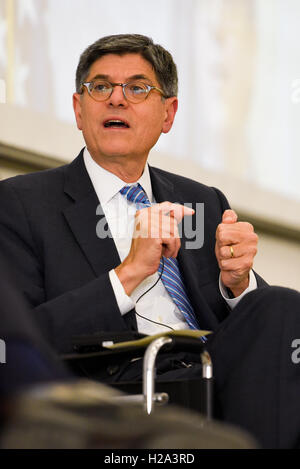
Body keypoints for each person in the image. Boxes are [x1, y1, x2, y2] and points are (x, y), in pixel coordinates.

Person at [0, 34, 299, 449]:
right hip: (121, 385)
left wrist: (237, 284)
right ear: (78, 109)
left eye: (137, 88)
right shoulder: (21, 203)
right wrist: (128, 274)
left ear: (168, 114)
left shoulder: (202, 201)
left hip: (214, 373)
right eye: (100, 87)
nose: (116, 100)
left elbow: (264, 331)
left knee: (282, 304)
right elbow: (20, 341)